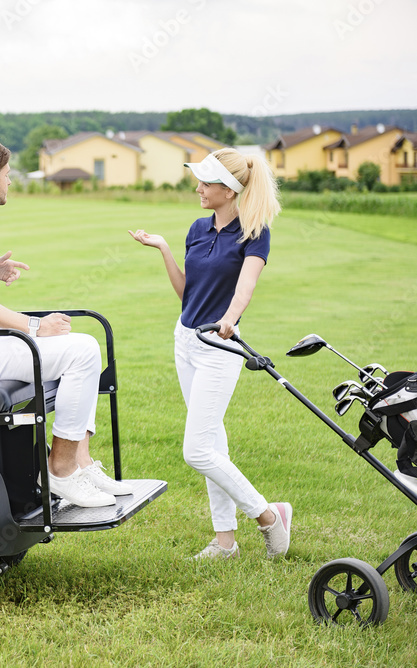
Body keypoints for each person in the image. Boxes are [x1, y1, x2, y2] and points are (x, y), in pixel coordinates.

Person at [0, 138, 132, 508]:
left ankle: (80, 462)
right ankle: (60, 471)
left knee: (80, 350)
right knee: (82, 351)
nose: (10, 182)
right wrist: (32, 326)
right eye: (6, 175)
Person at [129, 148, 292, 559]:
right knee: (212, 443)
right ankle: (225, 541)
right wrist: (165, 249)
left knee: (196, 449)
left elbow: (246, 287)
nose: (198, 188)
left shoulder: (254, 232)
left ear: (229, 189)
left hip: (221, 346)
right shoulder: (197, 229)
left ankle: (268, 516)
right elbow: (188, 294)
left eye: (206, 182)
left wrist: (231, 318)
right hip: (185, 340)